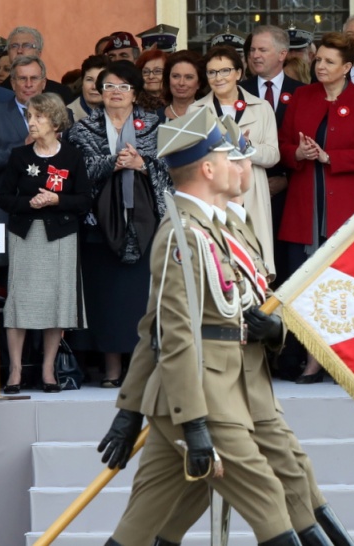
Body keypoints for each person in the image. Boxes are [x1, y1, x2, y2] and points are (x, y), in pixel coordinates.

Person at [98, 109, 303, 546]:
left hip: (222, 385)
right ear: (208, 168)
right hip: (203, 394)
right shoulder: (183, 235)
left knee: (152, 519)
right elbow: (170, 334)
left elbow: (157, 328)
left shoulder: (214, 230)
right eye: (231, 158)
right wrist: (191, 422)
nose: (241, 166)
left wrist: (132, 407)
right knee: (268, 497)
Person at [278, 32, 354, 383]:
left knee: (347, 285)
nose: (320, 66)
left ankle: (349, 361)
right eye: (318, 59)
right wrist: (298, 153)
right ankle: (312, 359)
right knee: (306, 287)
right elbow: (283, 143)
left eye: (329, 62)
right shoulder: (302, 97)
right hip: (306, 205)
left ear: (347, 67)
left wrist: (329, 156)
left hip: (349, 208)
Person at [68, 61, 171, 387]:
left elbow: (172, 173)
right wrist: (114, 162)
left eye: (123, 87)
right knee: (106, 299)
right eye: (109, 86)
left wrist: (142, 164)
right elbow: (79, 173)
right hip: (98, 226)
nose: (115, 93)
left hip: (145, 223)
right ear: (99, 91)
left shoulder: (155, 126)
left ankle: (141, 370)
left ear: (135, 93)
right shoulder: (83, 129)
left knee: (140, 300)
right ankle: (112, 370)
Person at [0, 93, 91, 393]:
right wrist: (31, 203)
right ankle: (14, 371)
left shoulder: (72, 156)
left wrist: (56, 199)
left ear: (54, 120)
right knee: (19, 303)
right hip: (25, 236)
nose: (32, 122)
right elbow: (4, 198)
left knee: (57, 303)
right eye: (29, 117)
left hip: (61, 237)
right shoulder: (19, 156)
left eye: (38, 117)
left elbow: (84, 200)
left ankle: (49, 369)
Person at [191, 45, 280, 277]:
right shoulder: (196, 110)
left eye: (225, 71)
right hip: (213, 194)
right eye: (212, 72)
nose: (218, 78)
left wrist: (246, 146)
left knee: (254, 266)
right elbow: (190, 159)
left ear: (239, 73)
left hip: (251, 195)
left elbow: (273, 156)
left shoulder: (262, 108)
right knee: (217, 266)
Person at [239, 25, 306, 291]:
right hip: (246, 192)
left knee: (285, 267)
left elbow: (303, 142)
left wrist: (285, 180)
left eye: (262, 50)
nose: (255, 55)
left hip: (289, 194)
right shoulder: (238, 91)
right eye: (253, 49)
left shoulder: (302, 92)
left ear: (282, 54)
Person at [0, 55, 46, 197]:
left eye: (34, 78)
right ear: (13, 83)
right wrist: (23, 146)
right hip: (8, 203)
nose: (28, 84)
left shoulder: (62, 114)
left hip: (51, 202)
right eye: (22, 79)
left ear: (43, 83)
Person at [0, 27, 72, 101]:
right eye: (14, 46)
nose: (19, 51)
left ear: (39, 53)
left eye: (26, 45)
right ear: (8, 52)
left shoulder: (61, 93)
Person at [160, 50, 205, 123]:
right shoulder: (153, 117)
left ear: (199, 83)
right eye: (176, 76)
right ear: (168, 79)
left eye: (189, 77)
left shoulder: (209, 117)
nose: (181, 83)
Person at [67, 55, 108, 122]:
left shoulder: (121, 113)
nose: (94, 87)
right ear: (82, 82)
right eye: (89, 80)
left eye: (100, 80)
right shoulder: (66, 116)